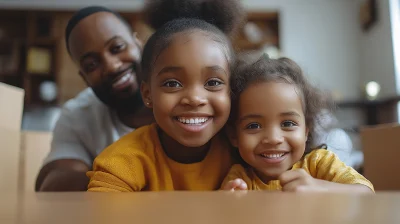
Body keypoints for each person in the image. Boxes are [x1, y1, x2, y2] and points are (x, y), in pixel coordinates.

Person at [87, 0, 245, 192]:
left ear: (231, 91)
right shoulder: (125, 159)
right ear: (148, 95)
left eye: (212, 83)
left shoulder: (244, 148)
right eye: (172, 84)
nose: (195, 98)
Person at [35, 6, 154, 192]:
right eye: (91, 65)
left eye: (117, 48)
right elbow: (53, 185)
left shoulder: (180, 95)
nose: (112, 66)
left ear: (138, 43)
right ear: (84, 78)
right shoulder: (77, 116)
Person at [221, 54, 374, 192]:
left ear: (306, 130)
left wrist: (321, 189)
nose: (274, 138)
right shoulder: (239, 178)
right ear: (234, 135)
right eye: (254, 126)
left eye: (287, 123)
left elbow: (366, 193)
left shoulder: (319, 164)